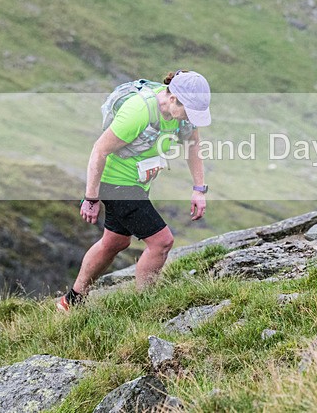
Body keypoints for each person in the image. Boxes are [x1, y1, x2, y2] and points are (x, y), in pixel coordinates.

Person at [57, 70, 212, 312]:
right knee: (162, 242)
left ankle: (71, 301)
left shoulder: (183, 116)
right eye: (189, 112)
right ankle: (144, 309)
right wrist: (91, 197)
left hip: (138, 184)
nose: (190, 119)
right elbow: (99, 151)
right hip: (116, 183)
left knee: (114, 242)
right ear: (173, 98)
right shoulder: (139, 111)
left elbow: (194, 145)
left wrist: (199, 189)